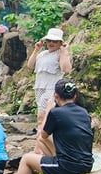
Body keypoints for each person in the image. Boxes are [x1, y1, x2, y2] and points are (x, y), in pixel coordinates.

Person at [2, 79, 93, 174]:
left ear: (56, 96)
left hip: (68, 167)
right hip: (86, 165)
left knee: (26, 159)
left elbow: (43, 133)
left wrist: (49, 109)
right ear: (75, 95)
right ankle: (53, 173)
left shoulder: (56, 113)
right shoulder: (84, 112)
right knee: (42, 141)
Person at [27, 28, 72, 156]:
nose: (51, 43)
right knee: (41, 119)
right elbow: (30, 66)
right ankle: (42, 147)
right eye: (49, 41)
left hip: (52, 89)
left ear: (60, 42)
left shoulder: (60, 54)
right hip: (39, 88)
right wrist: (36, 49)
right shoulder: (42, 54)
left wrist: (65, 51)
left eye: (55, 41)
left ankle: (39, 148)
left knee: (43, 117)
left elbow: (66, 69)